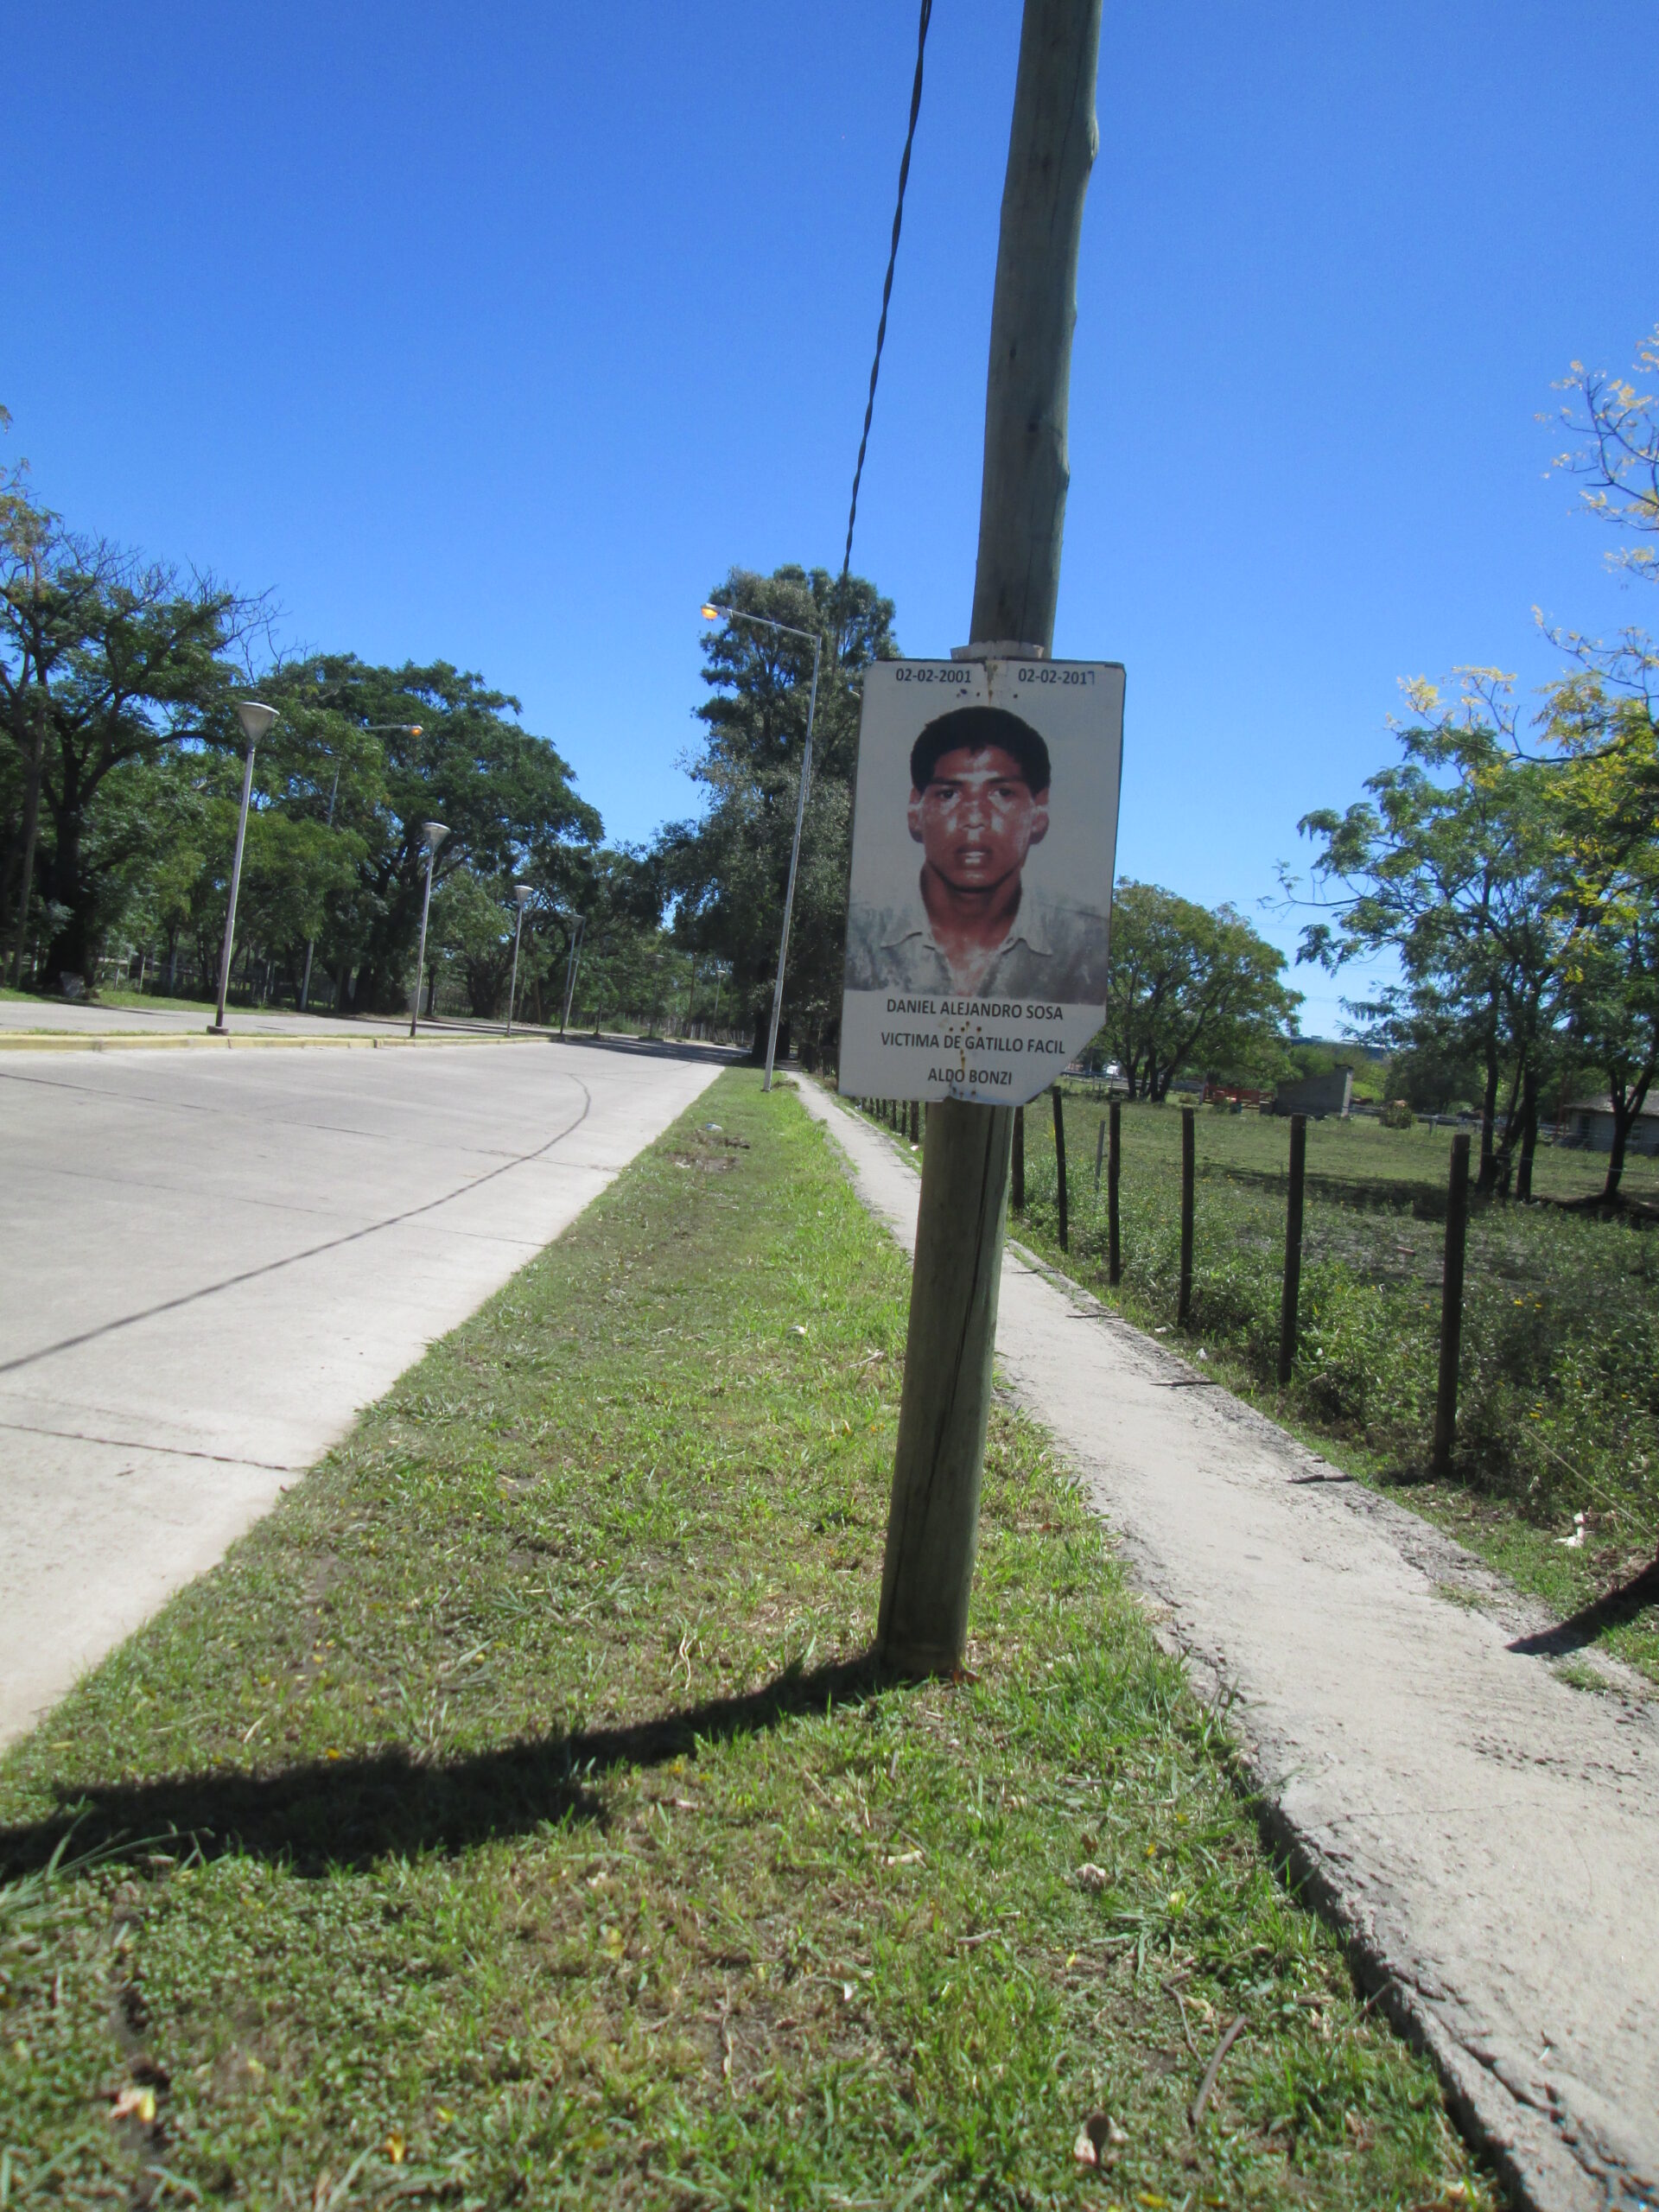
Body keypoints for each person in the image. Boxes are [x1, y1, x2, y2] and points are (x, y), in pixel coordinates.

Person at [844, 704, 1109, 1000]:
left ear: (1039, 812)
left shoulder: (1082, 944)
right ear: (915, 810)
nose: (973, 818)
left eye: (1002, 793)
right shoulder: (862, 932)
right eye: (949, 794)